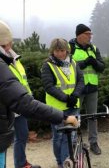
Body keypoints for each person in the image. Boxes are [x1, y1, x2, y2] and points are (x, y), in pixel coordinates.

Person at [0, 20, 78, 168]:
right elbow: (23, 101)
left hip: (14, 110)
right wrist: (63, 117)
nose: (9, 48)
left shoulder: (11, 59)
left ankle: (22, 163)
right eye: (5, 45)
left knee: (21, 137)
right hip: (20, 107)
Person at [41, 38, 84, 168]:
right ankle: (61, 162)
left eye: (62, 50)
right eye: (57, 51)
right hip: (57, 108)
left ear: (67, 50)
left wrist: (75, 95)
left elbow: (81, 81)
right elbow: (49, 86)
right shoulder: (47, 65)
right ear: (52, 51)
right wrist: (66, 98)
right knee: (59, 137)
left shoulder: (73, 63)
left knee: (70, 137)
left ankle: (67, 163)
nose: (60, 54)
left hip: (73, 106)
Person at [69, 24, 105, 155]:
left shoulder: (94, 49)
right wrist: (84, 63)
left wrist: (94, 62)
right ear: (79, 35)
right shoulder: (70, 48)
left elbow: (102, 67)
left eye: (91, 34)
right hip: (77, 89)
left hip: (92, 88)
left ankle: (93, 143)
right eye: (87, 34)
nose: (90, 37)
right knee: (74, 116)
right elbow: (68, 66)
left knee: (93, 117)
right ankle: (73, 144)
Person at [7, 41, 40, 167]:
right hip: (10, 106)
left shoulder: (15, 58)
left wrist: (29, 97)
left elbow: (22, 81)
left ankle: (21, 163)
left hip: (21, 104)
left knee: (22, 134)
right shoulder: (3, 61)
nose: (10, 43)